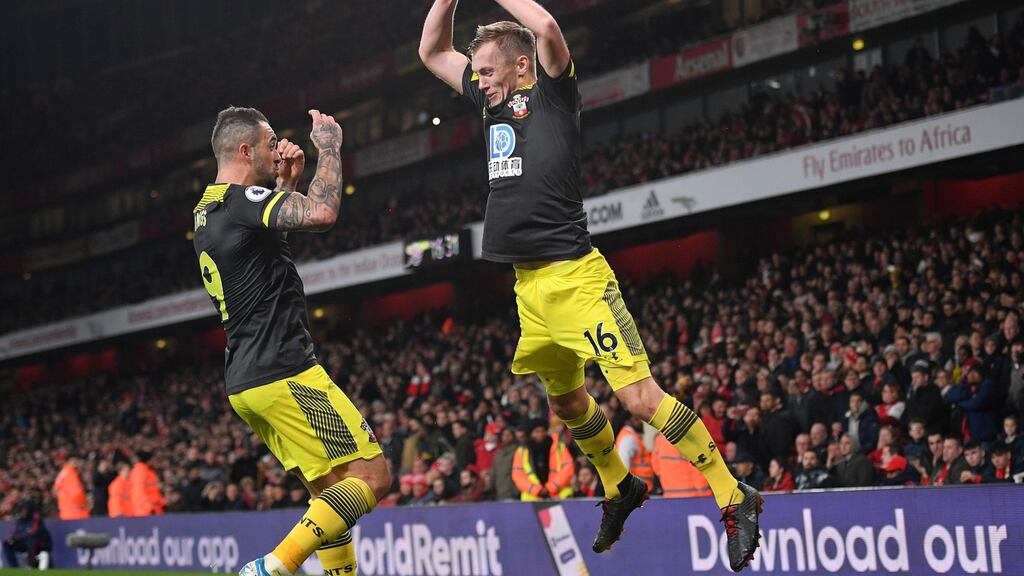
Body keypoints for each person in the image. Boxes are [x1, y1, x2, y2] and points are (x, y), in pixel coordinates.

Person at [419, 0, 760, 567]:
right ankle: (620, 485)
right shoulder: (489, 102)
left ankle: (732, 493)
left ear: (521, 66)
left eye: (488, 71)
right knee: (566, 400)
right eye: (477, 73)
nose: (480, 81)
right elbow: (432, 51)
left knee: (639, 398)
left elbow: (547, 26)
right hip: (529, 289)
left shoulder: (552, 93)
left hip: (577, 278)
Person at [193, 107, 390, 576]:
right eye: (269, 143)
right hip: (285, 370)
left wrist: (285, 185)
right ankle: (272, 568)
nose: (277, 149)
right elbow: (322, 213)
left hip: (248, 380)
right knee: (373, 476)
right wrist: (330, 148)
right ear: (245, 151)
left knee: (330, 495)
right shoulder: (242, 201)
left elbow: (261, 245)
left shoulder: (208, 210)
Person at [512, 420, 575, 500]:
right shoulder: (521, 451)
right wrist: (537, 490)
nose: (540, 434)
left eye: (543, 431)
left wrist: (551, 488)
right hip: (532, 496)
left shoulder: (559, 447)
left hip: (558, 494)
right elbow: (518, 476)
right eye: (537, 432)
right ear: (531, 434)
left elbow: (568, 469)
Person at [651, 433, 712, 498]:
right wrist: (705, 494)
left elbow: (655, 463)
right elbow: (696, 467)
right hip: (693, 495)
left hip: (669, 494)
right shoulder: (688, 437)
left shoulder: (660, 438)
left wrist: (665, 478)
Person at [3, 500, 52, 570]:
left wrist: (20, 537)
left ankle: (30, 565)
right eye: (20, 510)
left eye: (23, 510)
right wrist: (12, 538)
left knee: (31, 540)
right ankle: (14, 568)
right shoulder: (20, 520)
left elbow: (34, 532)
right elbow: (16, 532)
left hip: (41, 543)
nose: (21, 512)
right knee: (7, 543)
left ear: (29, 510)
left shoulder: (36, 517)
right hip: (25, 542)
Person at [616, 412, 655, 493]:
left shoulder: (631, 436)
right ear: (627, 421)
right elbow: (624, 463)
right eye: (636, 419)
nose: (640, 422)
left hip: (640, 489)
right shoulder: (628, 438)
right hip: (637, 490)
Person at [129, 452, 165, 517]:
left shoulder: (147, 471)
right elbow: (138, 491)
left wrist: (162, 502)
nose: (155, 461)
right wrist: (149, 507)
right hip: (145, 512)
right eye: (153, 459)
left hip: (153, 509)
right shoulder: (140, 471)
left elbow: (153, 491)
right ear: (149, 460)